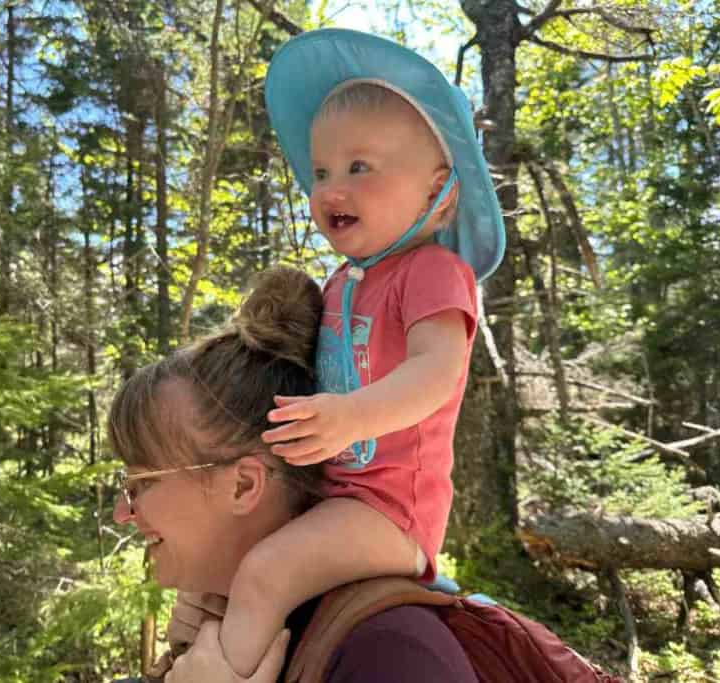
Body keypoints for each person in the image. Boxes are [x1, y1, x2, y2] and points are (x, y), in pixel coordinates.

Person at [215, 28, 507, 676]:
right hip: (334, 495)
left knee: (265, 572)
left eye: (359, 167)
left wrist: (350, 418)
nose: (330, 188)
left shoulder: (431, 271)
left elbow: (437, 371)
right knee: (221, 551)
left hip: (390, 511)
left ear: (442, 190)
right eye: (320, 171)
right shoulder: (344, 283)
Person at [109, 265, 478, 682]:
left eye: (141, 483)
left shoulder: (392, 654)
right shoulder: (215, 632)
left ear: (244, 485)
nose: (123, 512)